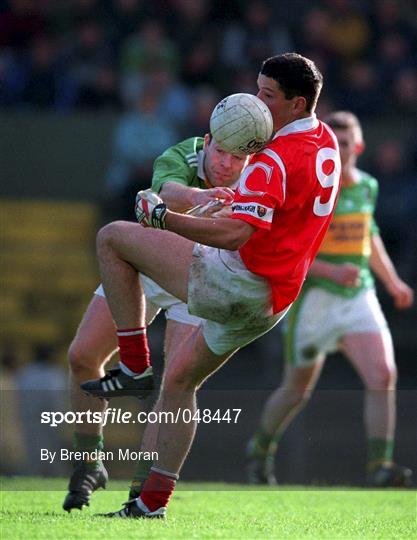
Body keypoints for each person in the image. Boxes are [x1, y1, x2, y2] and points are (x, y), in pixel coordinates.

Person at [82, 52, 341, 519]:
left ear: (298, 102)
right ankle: (149, 505)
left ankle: (135, 365)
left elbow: (236, 234)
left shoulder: (272, 159)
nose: (255, 102)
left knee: (112, 238)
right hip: (273, 302)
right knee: (181, 380)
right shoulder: (325, 142)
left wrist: (167, 219)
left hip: (237, 279)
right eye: (256, 89)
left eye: (266, 96)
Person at [63, 132, 247, 511]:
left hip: (199, 279)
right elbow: (166, 188)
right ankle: (89, 463)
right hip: (148, 263)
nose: (226, 164)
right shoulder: (187, 151)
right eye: (221, 152)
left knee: (174, 387)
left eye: (237, 158)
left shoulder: (263, 171)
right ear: (209, 141)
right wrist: (199, 198)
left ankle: (140, 492)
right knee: (82, 356)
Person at [246, 111, 414, 488]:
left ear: (358, 146)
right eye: (333, 142)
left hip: (358, 295)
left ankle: (379, 466)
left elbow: (369, 236)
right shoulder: (313, 189)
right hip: (313, 300)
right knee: (296, 391)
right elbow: (290, 251)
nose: (340, 148)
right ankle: (259, 449)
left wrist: (392, 281)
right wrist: (331, 271)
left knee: (383, 375)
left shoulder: (367, 186)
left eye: (345, 141)